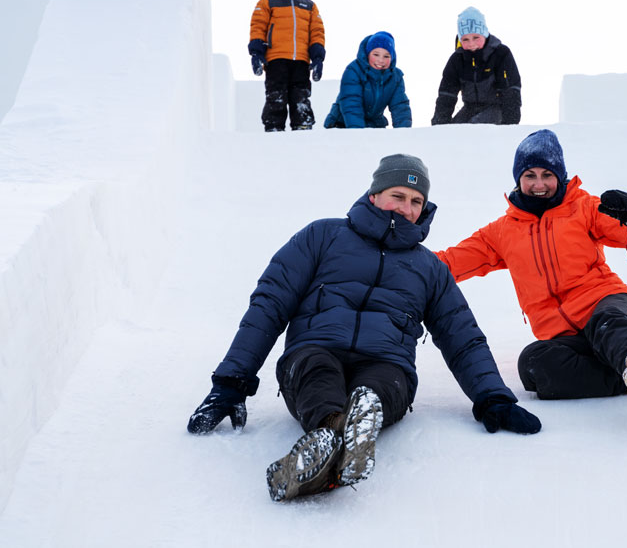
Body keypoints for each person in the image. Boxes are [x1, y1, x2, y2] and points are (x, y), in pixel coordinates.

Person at [187, 154, 541, 502]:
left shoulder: (429, 268)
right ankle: (335, 430)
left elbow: (461, 335)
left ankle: (345, 429)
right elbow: (269, 305)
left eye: (417, 201)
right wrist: (231, 383)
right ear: (375, 195)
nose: (407, 208)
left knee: (379, 385)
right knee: (316, 369)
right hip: (315, 350)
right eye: (398, 196)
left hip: (387, 365)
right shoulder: (321, 236)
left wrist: (492, 397)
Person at [435, 129, 627, 416]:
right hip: (562, 336)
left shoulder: (585, 208)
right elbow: (451, 262)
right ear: (518, 179)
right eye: (530, 175)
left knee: (611, 323)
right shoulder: (502, 232)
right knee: (533, 365)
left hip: (606, 303)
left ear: (559, 176)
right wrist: (407, 261)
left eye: (547, 175)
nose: (539, 184)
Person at [249, 0, 325, 132]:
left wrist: (318, 57)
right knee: (277, 95)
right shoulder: (268, 1)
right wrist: (256, 53)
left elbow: (317, 32)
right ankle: (274, 128)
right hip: (276, 58)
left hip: (301, 60)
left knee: (301, 95)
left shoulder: (309, 5)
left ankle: (303, 125)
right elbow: (258, 26)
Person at [430, 6, 521, 125]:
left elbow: (511, 90)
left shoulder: (501, 54)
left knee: (473, 129)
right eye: (465, 40)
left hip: (497, 108)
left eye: (476, 37)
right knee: (453, 131)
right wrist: (438, 126)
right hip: (470, 108)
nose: (471, 44)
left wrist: (510, 124)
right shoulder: (457, 60)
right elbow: (446, 95)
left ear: (484, 34)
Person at [323, 31, 411, 129]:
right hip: (342, 124)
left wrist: (403, 134)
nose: (381, 60)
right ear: (368, 54)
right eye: (376, 54)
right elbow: (352, 103)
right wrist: (358, 134)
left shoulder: (395, 77)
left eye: (386, 56)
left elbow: (400, 107)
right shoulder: (354, 70)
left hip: (372, 125)